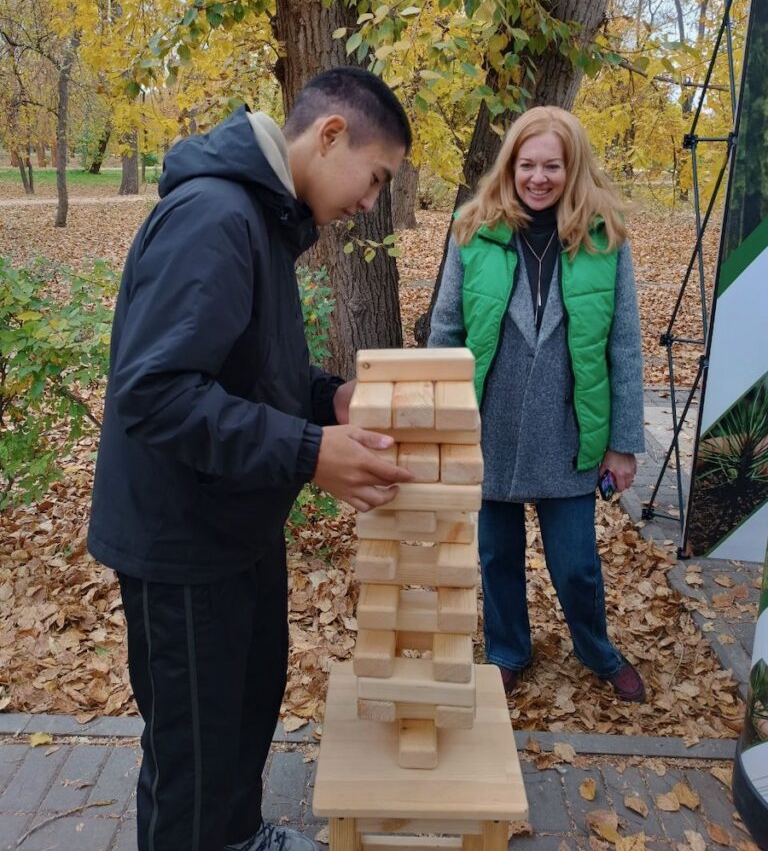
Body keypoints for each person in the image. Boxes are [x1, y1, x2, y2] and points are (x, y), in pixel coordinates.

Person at [88, 67, 415, 851]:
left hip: (234, 525)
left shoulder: (262, 219)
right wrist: (311, 452)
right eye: (376, 179)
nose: (372, 203)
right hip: (184, 546)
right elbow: (157, 394)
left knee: (237, 725)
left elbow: (248, 367)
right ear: (331, 135)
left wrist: (326, 399)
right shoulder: (215, 217)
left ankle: (238, 835)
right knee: (193, 763)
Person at [428, 105, 646, 703]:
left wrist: (623, 443)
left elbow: (624, 345)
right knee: (497, 554)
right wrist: (436, 426)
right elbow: (444, 332)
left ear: (572, 168)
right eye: (527, 164)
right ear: (510, 166)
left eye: (553, 164)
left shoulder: (605, 238)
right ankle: (507, 650)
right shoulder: (473, 230)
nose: (539, 177)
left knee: (575, 563)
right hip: (487, 424)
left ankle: (595, 648)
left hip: (570, 426)